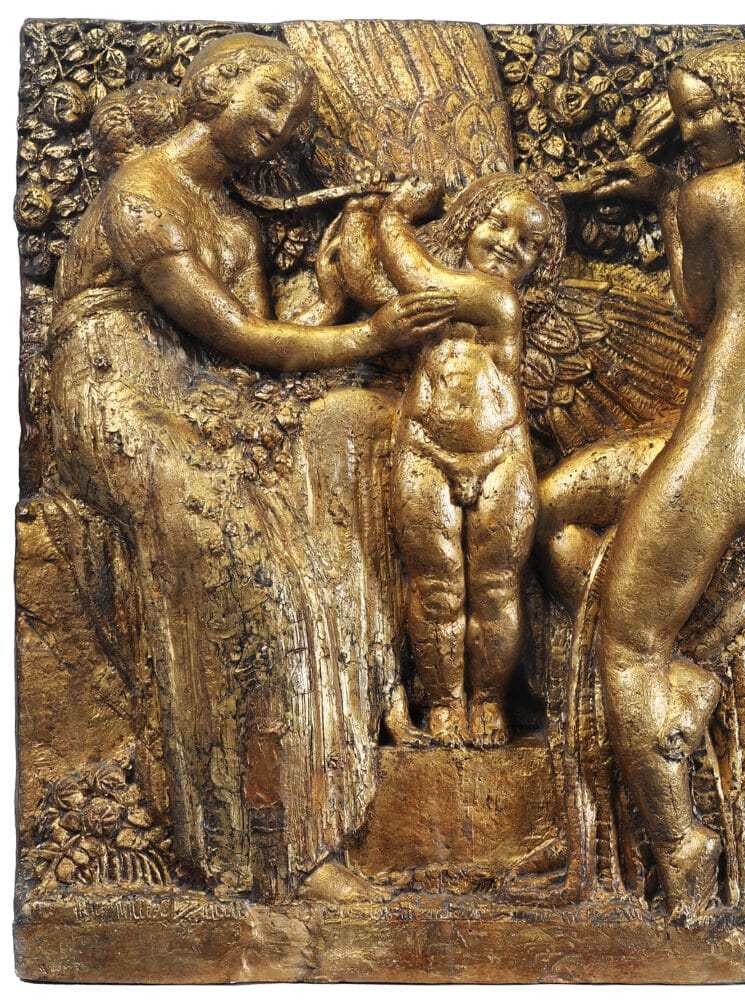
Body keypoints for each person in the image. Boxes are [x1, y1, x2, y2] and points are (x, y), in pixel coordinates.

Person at [49, 33, 456, 902]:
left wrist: (343, 272)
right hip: (116, 397)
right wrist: (371, 334)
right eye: (270, 98)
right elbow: (234, 334)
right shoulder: (141, 195)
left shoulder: (236, 223)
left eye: (295, 118)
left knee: (353, 459)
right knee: (257, 582)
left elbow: (264, 349)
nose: (281, 126)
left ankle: (345, 790)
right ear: (212, 85)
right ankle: (266, 853)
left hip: (206, 399)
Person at [537, 41, 745, 919]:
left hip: (724, 450)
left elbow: (695, 307)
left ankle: (683, 846)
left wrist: (663, 200)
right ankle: (686, 679)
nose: (692, 128)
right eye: (684, 114)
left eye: (703, 110)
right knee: (558, 504)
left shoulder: (710, 196)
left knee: (627, 644)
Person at [370, 173, 565, 747]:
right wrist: (357, 222)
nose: (508, 244)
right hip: (425, 450)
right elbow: (375, 286)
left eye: (529, 242)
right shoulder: (435, 304)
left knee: (496, 587)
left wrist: (393, 217)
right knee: (437, 586)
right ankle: (445, 702)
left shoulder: (498, 300)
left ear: (540, 265)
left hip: (501, 455)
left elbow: (418, 275)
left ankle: (488, 701)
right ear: (467, 224)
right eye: (497, 224)